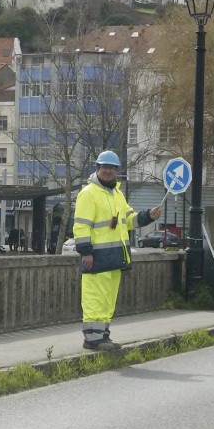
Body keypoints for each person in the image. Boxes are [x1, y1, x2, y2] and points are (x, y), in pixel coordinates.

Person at [73, 150, 162, 351]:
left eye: (111, 168)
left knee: (107, 300)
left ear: (116, 171)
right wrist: (86, 252)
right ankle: (92, 340)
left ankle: (103, 336)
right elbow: (81, 226)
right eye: (104, 167)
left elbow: (129, 220)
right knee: (95, 299)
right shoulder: (88, 194)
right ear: (97, 169)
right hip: (95, 258)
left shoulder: (117, 194)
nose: (108, 171)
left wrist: (149, 215)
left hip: (113, 258)